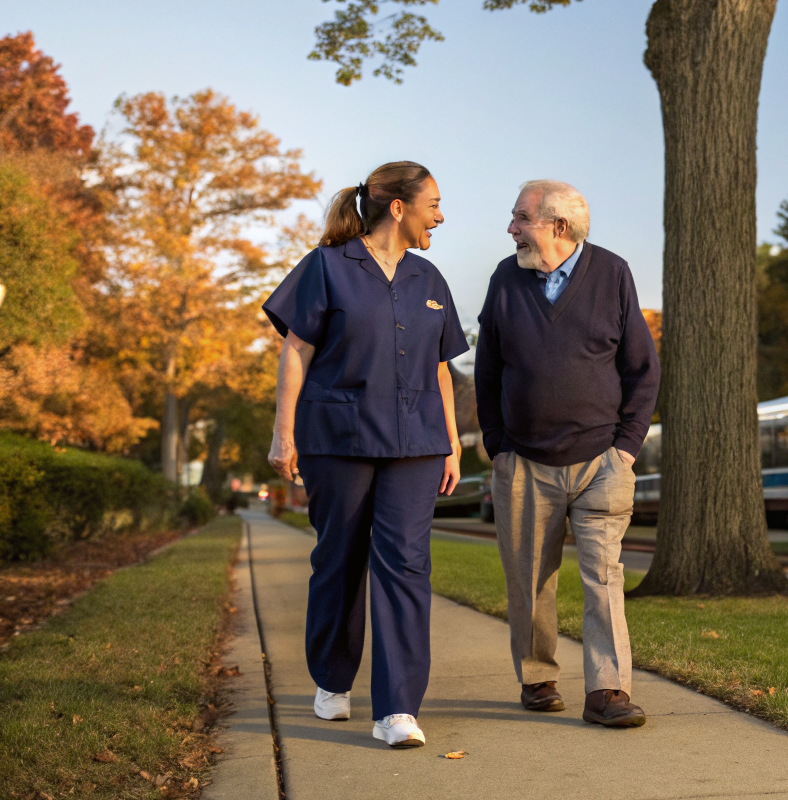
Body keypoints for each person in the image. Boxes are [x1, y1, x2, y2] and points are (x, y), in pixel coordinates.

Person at [264, 161, 469, 749]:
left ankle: (397, 709)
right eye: (434, 204)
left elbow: (440, 369)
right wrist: (283, 433)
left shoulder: (430, 278)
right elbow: (296, 351)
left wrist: (452, 442)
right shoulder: (326, 266)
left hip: (417, 443)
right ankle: (332, 678)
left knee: (406, 564)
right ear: (399, 208)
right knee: (340, 559)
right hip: (339, 439)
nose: (441, 216)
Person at [475, 180, 660, 728]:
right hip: (524, 462)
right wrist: (498, 445)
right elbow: (487, 371)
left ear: (558, 225)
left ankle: (608, 691)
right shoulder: (505, 279)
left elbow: (642, 369)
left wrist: (626, 447)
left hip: (601, 461)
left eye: (520, 218)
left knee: (604, 579)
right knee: (530, 581)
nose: (511, 229)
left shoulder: (612, 273)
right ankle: (538, 679)